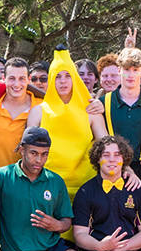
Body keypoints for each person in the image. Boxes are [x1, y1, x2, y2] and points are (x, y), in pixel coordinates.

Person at [26, 50, 104, 198]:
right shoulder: (38, 111)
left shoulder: (91, 110)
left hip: (86, 188)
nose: (63, 81)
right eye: (58, 77)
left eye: (68, 76)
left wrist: (125, 169)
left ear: (75, 79)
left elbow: (106, 146)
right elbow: (28, 151)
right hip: (47, 187)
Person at [0, 57, 42, 174]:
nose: (17, 84)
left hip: (22, 184)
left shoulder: (41, 106)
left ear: (29, 79)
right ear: (4, 79)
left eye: (22, 79)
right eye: (12, 78)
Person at [101, 48, 141, 172]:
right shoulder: (105, 102)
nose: (130, 75)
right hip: (112, 169)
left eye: (135, 70)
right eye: (126, 69)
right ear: (119, 70)